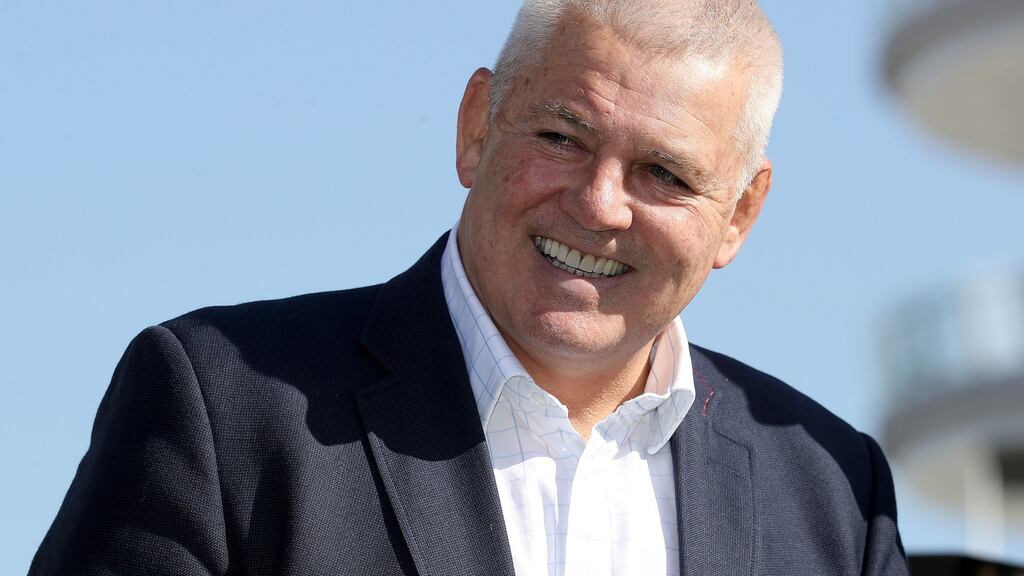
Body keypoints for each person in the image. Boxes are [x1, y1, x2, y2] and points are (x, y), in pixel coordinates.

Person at [31, 0, 909, 574]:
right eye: (562, 137)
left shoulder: (835, 497)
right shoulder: (221, 407)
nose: (599, 205)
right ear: (474, 127)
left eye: (664, 174)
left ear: (740, 215)